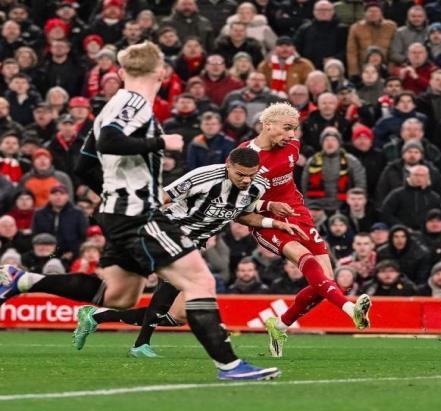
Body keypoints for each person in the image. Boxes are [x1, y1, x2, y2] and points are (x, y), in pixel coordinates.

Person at [0, 41, 279, 381]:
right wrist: (162, 143)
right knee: (200, 280)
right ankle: (230, 365)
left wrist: (113, 196)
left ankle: (21, 279)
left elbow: (83, 164)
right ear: (161, 72)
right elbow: (109, 141)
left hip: (122, 210)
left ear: (121, 71)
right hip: (139, 213)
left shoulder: (115, 104)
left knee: (119, 295)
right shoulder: (134, 103)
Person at [67, 148, 303, 357]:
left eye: (251, 174)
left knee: (177, 316)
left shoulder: (258, 185)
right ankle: (140, 345)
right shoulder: (203, 177)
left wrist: (275, 223)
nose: (246, 180)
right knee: (168, 287)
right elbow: (162, 198)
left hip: (197, 242)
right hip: (171, 232)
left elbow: (242, 214)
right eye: (240, 174)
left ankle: (95, 316)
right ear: (228, 165)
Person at [239, 102, 372, 357]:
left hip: (298, 214)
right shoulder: (244, 158)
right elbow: (235, 203)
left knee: (326, 281)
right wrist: (268, 205)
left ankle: (279, 326)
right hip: (264, 220)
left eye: (295, 129)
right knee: (306, 259)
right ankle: (350, 309)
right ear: (267, 125)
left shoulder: (292, 147)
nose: (292, 135)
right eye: (287, 128)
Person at [301, 129, 366, 211]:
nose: (330, 143)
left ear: (339, 143)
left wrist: (352, 204)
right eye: (326, 140)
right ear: (322, 143)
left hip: (344, 206)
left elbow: (360, 185)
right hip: (316, 206)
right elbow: (304, 186)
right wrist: (310, 206)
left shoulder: (352, 161)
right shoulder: (312, 161)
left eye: (333, 140)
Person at [381, 164, 441, 231]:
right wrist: (401, 227)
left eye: (422, 175)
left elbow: (438, 217)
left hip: (426, 233)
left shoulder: (434, 197)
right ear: (409, 176)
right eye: (416, 175)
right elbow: (385, 213)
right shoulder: (397, 194)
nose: (419, 178)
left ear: (428, 177)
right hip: (401, 232)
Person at [346, 1, 397, 77]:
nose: (373, 14)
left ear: (381, 13)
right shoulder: (356, 28)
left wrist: (391, 70)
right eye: (370, 11)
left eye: (376, 11)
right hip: (363, 68)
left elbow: (394, 49)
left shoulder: (391, 26)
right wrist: (354, 73)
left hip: (385, 68)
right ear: (365, 13)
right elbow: (351, 52)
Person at [293, 0, 348, 69]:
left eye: (326, 10)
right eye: (319, 10)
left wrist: (335, 58)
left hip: (334, 68)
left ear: (333, 12)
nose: (323, 12)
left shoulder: (342, 29)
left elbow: (347, 49)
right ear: (314, 12)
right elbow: (295, 47)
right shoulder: (305, 29)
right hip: (308, 68)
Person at [377, 224, 432, 289]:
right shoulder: (382, 252)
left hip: (413, 287)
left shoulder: (420, 253)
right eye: (396, 237)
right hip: (387, 286)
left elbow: (422, 279)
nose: (400, 240)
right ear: (391, 238)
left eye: (403, 236)